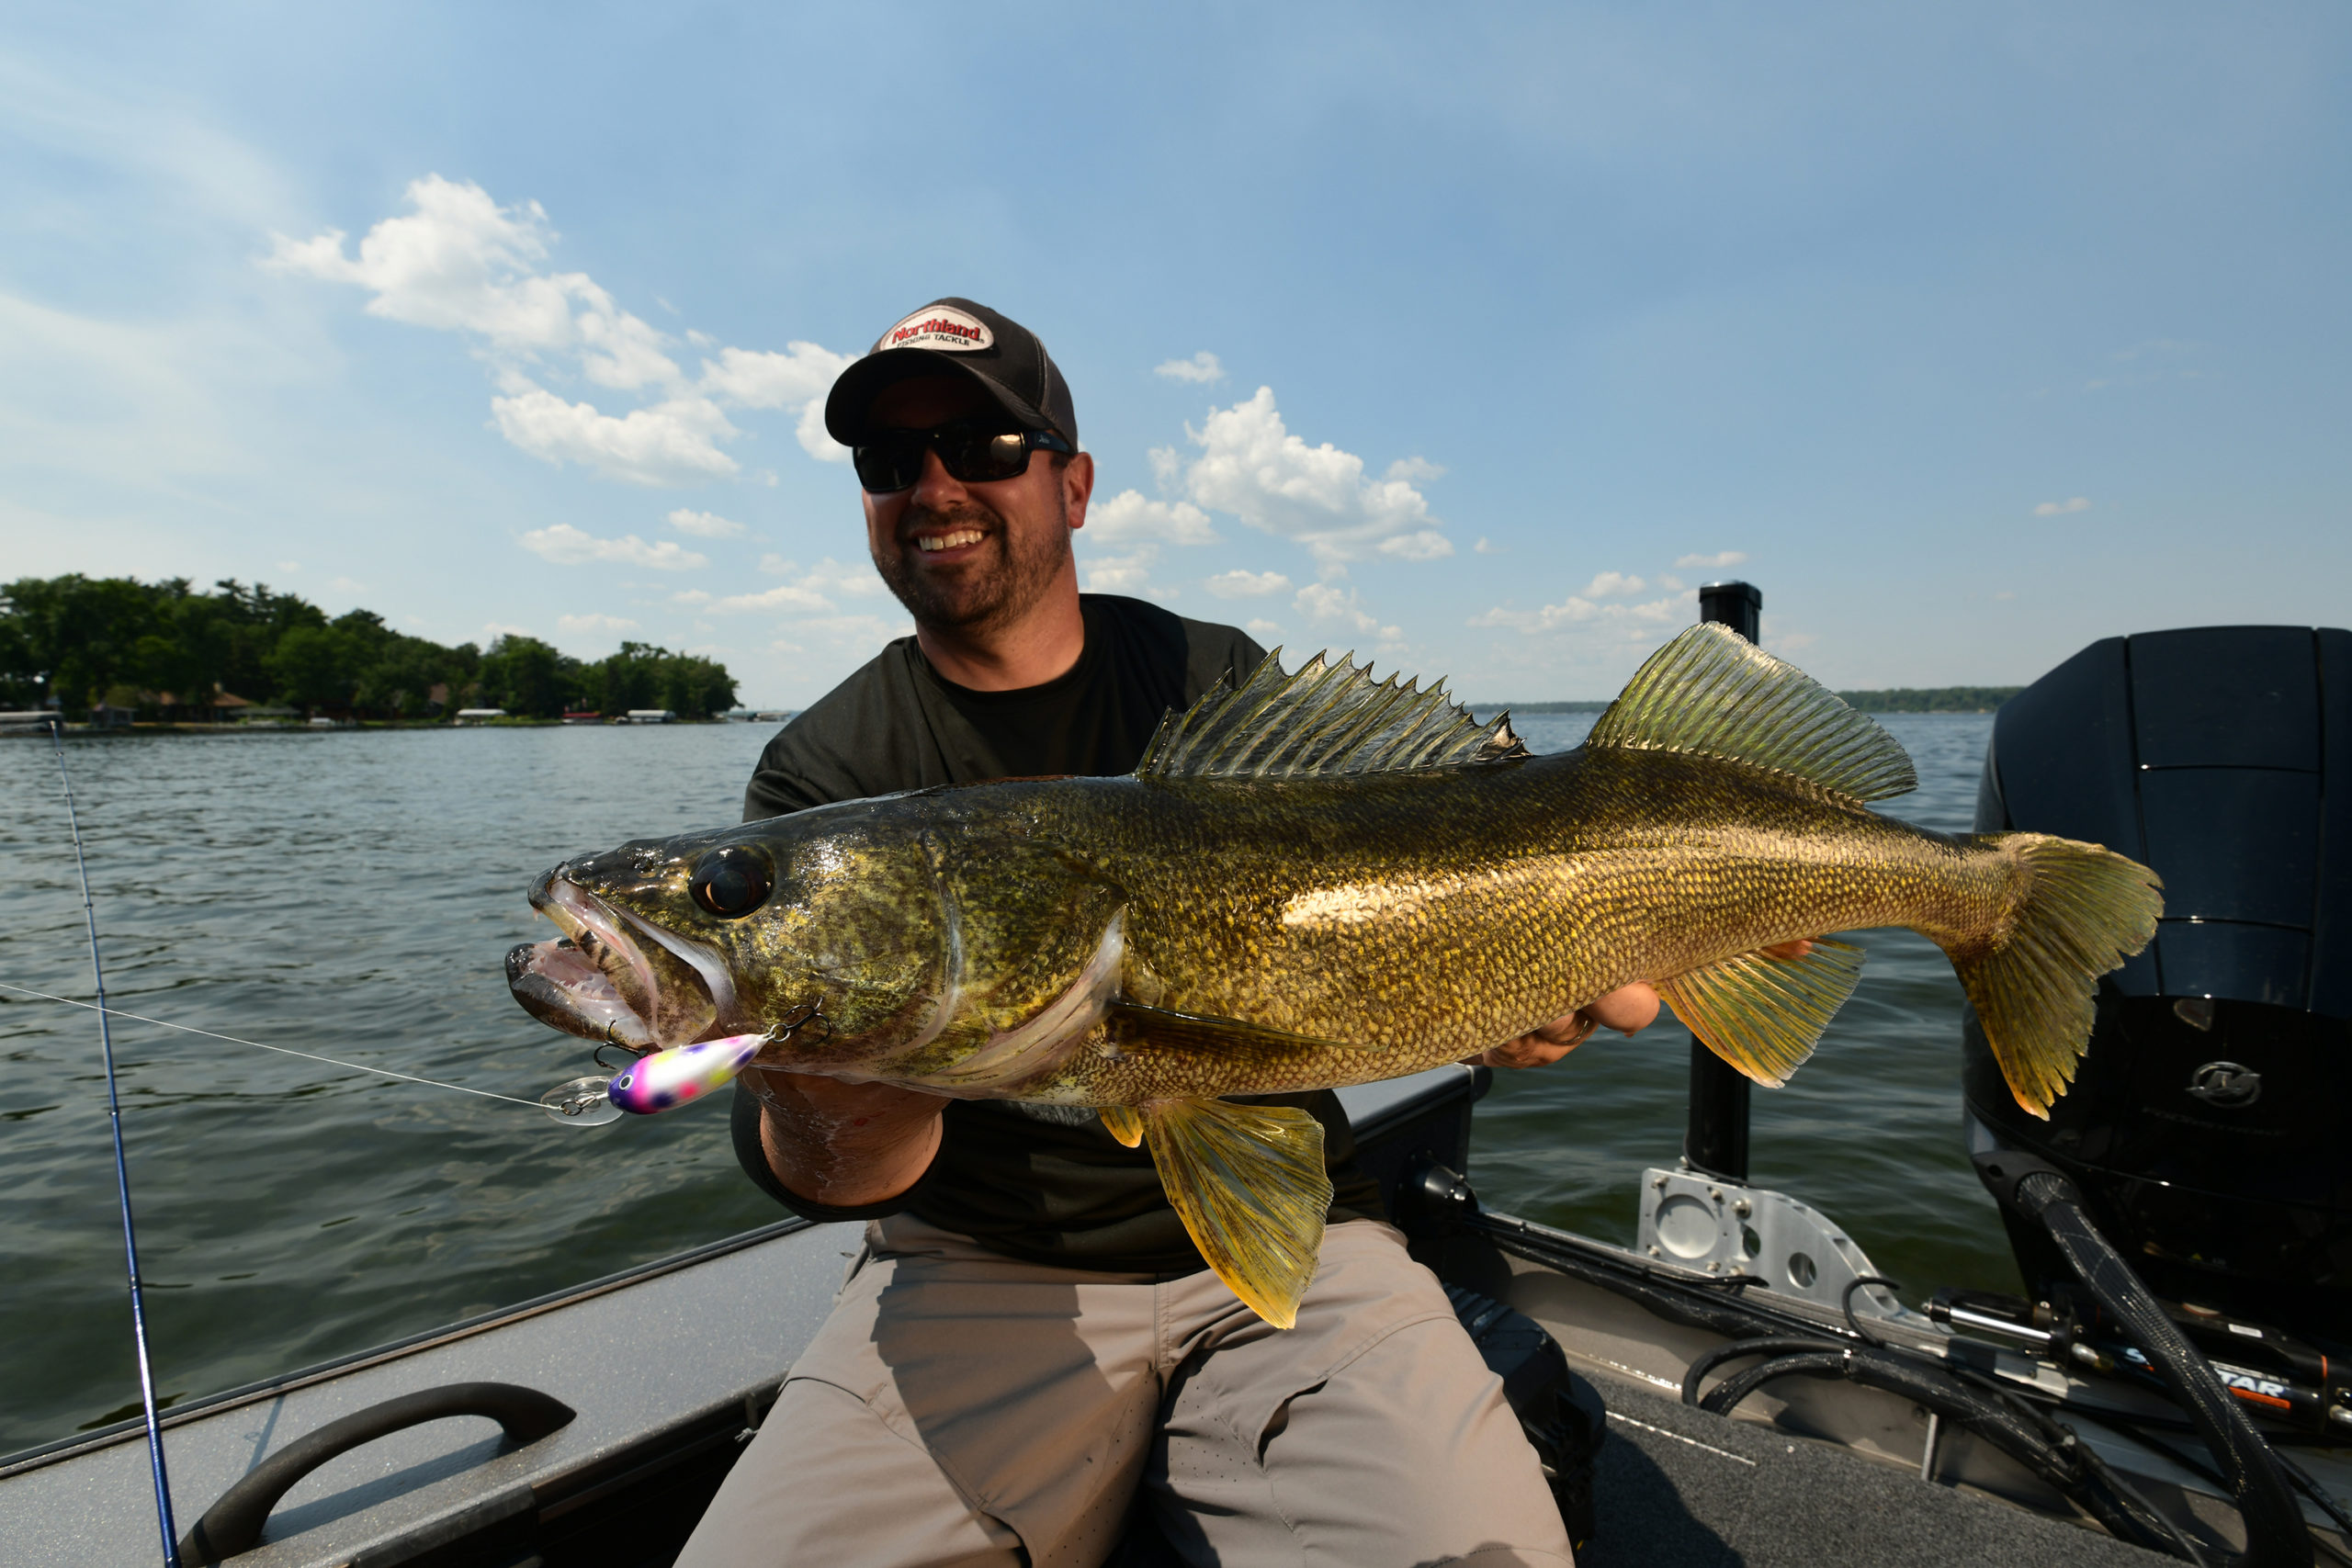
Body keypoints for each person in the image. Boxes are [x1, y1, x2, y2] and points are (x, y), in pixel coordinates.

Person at [679, 299, 1662, 1568]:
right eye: (888, 462)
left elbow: (1448, 867)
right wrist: (829, 1105)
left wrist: (1533, 986)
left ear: (1072, 485)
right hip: (976, 1266)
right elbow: (827, 1177)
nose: (932, 485)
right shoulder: (826, 772)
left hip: (1303, 1253)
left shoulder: (1213, 683)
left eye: (983, 445)